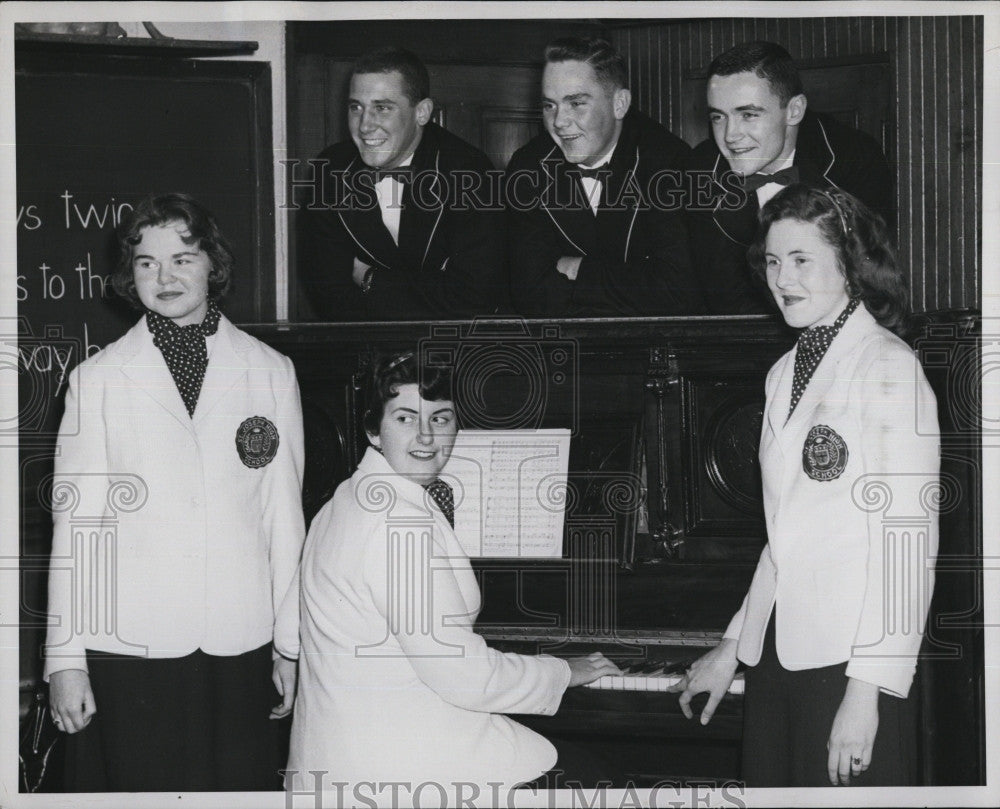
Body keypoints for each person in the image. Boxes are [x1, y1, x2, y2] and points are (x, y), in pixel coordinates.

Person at [671, 184, 939, 787]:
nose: (781, 278)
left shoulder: (888, 366)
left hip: (852, 667)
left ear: (849, 265)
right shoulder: (783, 372)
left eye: (800, 260)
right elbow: (785, 535)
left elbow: (908, 545)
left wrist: (866, 693)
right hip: (779, 659)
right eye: (771, 261)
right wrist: (734, 644)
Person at [45, 193, 305, 791]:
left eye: (183, 259)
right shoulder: (98, 380)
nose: (164, 277)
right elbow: (76, 530)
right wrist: (64, 660)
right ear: (128, 274)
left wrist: (290, 646)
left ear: (213, 264)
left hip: (241, 639)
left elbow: (283, 519)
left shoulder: (270, 371)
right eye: (146, 263)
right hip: (131, 646)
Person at [286, 352, 620, 794]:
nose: (426, 435)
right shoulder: (397, 526)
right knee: (602, 785)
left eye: (441, 419)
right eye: (405, 418)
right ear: (373, 430)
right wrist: (563, 672)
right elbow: (466, 678)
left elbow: (293, 625)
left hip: (338, 757)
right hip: (404, 771)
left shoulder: (344, 498)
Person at [299, 47, 506, 320]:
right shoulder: (330, 170)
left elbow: (472, 299)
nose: (364, 126)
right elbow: (329, 296)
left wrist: (368, 278)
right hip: (366, 349)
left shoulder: (469, 171)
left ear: (421, 112)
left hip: (450, 350)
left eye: (382, 108)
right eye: (355, 107)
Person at [687, 41, 894, 313]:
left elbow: (868, 283)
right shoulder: (699, 168)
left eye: (748, 115)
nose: (730, 136)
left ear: (794, 111)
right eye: (718, 117)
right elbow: (711, 295)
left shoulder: (855, 160)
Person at [505, 37, 703, 317]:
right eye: (550, 105)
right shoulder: (527, 168)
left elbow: (678, 293)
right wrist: (631, 282)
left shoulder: (669, 161)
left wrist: (577, 269)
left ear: (619, 104)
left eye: (575, 103)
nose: (559, 122)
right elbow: (529, 295)